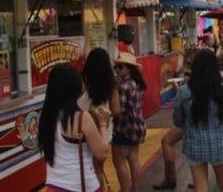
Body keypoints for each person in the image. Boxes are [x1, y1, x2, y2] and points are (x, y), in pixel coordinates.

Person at [38, 64, 111, 192]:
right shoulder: (82, 118)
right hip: (80, 186)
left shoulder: (47, 117)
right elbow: (102, 153)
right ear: (73, 87)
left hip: (53, 186)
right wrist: (103, 123)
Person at [173, 49, 223, 192]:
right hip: (219, 143)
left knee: (200, 185)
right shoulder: (221, 90)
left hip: (195, 145)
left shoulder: (184, 91)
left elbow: (178, 120)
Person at [78, 48, 121, 192]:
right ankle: (101, 188)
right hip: (104, 129)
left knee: (84, 166)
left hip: (82, 128)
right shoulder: (110, 84)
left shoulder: (81, 81)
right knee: (98, 166)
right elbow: (116, 110)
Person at [112, 52, 147, 192]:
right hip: (137, 126)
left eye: (120, 67)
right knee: (134, 159)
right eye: (116, 67)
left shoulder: (123, 86)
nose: (117, 70)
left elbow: (117, 111)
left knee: (119, 162)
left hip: (124, 127)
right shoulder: (135, 83)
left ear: (129, 69)